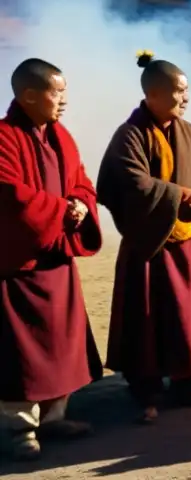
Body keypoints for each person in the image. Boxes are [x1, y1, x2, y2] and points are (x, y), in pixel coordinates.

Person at [97, 52, 191, 423]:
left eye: (187, 91)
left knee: (189, 316)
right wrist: (180, 195)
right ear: (153, 94)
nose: (185, 99)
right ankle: (146, 393)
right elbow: (129, 182)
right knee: (148, 319)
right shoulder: (130, 135)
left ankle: (189, 386)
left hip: (188, 243)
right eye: (178, 91)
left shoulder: (190, 132)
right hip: (149, 243)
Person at [0, 59, 103, 461]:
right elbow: (10, 195)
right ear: (28, 96)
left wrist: (78, 203)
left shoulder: (61, 136)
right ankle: (20, 428)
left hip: (57, 258)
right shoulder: (4, 138)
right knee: (22, 352)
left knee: (62, 341)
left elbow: (80, 179)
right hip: (20, 264)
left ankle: (56, 415)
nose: (64, 100)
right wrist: (62, 209)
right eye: (56, 92)